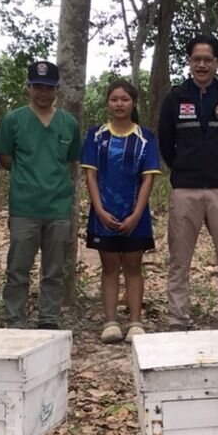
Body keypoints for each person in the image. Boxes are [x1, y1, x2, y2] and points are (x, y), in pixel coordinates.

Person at [157, 34, 218, 330]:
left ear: (217, 62)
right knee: (179, 259)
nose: (202, 65)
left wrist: (216, 162)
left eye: (208, 60)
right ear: (188, 61)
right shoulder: (175, 98)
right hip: (186, 189)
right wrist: (186, 165)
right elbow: (166, 143)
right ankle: (177, 318)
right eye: (196, 59)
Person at [0, 60, 81, 330]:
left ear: (57, 90)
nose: (43, 92)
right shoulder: (14, 120)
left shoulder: (69, 123)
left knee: (54, 270)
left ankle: (49, 320)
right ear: (28, 88)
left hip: (58, 207)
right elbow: (5, 158)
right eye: (38, 86)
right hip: (24, 207)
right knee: (18, 269)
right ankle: (15, 321)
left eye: (49, 87)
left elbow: (70, 161)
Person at [82, 79, 160, 343]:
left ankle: (136, 321)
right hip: (103, 214)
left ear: (133, 103)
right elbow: (90, 176)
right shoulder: (96, 136)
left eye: (124, 99)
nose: (119, 104)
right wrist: (99, 210)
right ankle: (110, 322)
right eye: (114, 99)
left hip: (135, 214)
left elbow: (148, 178)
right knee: (109, 267)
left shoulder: (145, 138)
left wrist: (137, 214)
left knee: (133, 266)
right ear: (107, 102)